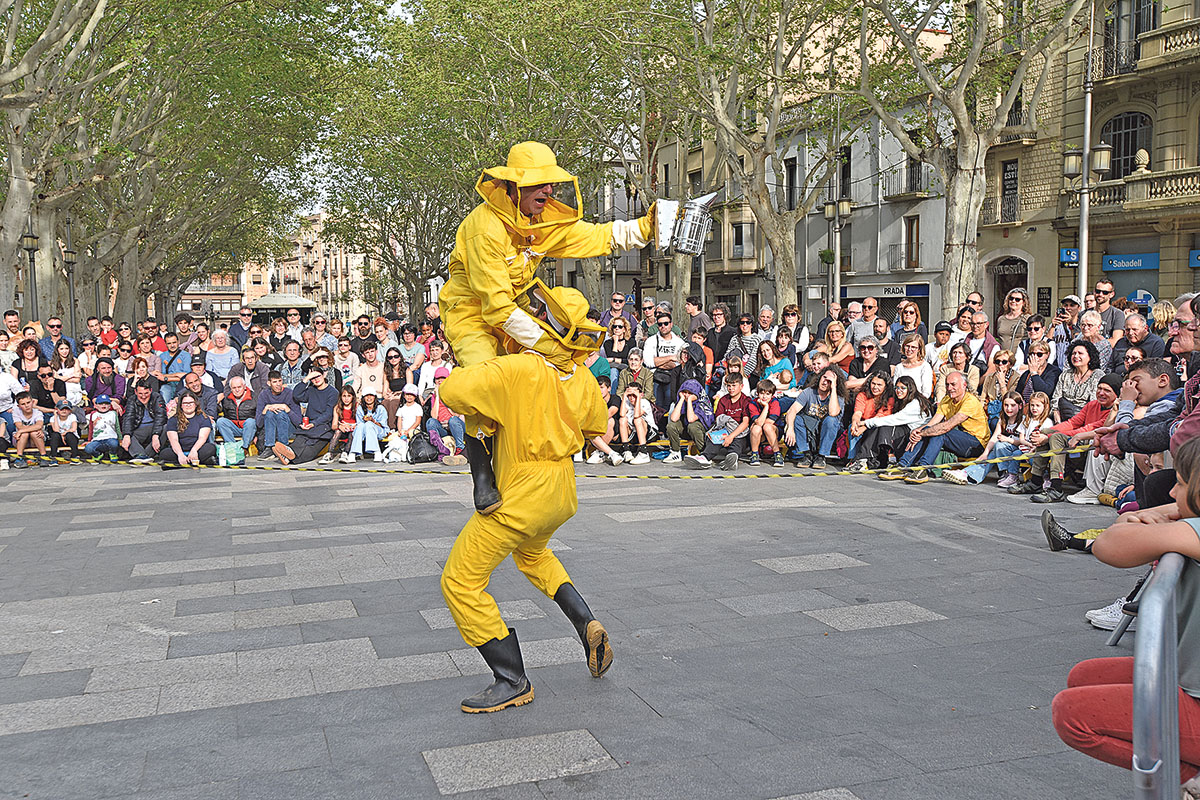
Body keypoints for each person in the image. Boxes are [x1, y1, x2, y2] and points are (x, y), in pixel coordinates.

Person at [438, 141, 654, 517]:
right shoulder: (483, 228)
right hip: (470, 315)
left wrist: (647, 228)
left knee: (543, 374)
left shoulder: (542, 221)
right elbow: (496, 307)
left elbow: (594, 237)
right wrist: (547, 344)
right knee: (486, 380)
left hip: (517, 310)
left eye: (551, 182)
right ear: (514, 186)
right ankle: (481, 472)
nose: (549, 190)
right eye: (540, 183)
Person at [435, 284, 612, 713]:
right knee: (533, 555)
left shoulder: (517, 369)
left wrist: (478, 352)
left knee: (460, 581)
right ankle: (586, 623)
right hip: (561, 489)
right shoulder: (581, 374)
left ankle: (511, 679)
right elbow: (596, 425)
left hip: (522, 490)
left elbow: (452, 391)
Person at [1051, 436, 1200, 793]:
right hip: (1186, 676)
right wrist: (1165, 515)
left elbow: (1109, 545)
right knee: (1084, 676)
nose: (1172, 493)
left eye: (1180, 484)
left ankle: (1188, 780)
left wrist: (1154, 518)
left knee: (1071, 714)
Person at [1013, 373, 1120, 502]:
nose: (1101, 393)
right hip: (1078, 444)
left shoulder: (1114, 412)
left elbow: (1089, 429)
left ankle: (1056, 488)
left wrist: (1048, 437)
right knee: (1047, 431)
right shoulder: (1092, 404)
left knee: (1055, 438)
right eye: (1099, 388)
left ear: (1116, 394)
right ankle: (1036, 481)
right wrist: (1043, 433)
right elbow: (1072, 423)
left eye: (1107, 390)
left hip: (1092, 451)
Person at [893, 371, 989, 484]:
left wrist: (923, 433)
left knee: (940, 432)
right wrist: (918, 432)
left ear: (964, 385)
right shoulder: (946, 400)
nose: (949, 388)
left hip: (977, 445)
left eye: (953, 384)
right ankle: (903, 465)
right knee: (929, 430)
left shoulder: (970, 401)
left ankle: (923, 469)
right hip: (958, 439)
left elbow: (946, 427)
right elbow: (932, 423)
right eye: (947, 385)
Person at [943, 391, 1026, 488]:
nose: (1009, 408)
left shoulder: (1023, 420)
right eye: (1006, 405)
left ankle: (968, 473)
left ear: (1020, 406)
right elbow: (994, 437)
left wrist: (1008, 440)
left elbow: (1023, 441)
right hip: (1005, 450)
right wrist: (985, 453)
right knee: (991, 453)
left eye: (1013, 405)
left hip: (1019, 450)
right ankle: (967, 474)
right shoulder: (1003, 419)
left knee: (999, 445)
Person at [856, 376, 935, 473]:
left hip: (916, 437)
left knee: (885, 427)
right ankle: (864, 460)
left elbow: (894, 419)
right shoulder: (903, 401)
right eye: (897, 388)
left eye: (903, 388)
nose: (899, 391)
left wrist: (866, 423)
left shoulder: (915, 404)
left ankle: (870, 460)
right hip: (908, 433)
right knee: (882, 428)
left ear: (910, 389)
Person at [684, 371, 755, 470]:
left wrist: (731, 436)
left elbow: (745, 423)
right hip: (724, 430)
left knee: (737, 442)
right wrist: (725, 434)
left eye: (734, 386)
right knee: (715, 438)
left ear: (741, 386)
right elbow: (719, 420)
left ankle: (732, 459)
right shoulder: (723, 400)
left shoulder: (746, 400)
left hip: (739, 432)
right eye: (729, 386)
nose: (731, 389)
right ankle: (705, 458)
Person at [782, 367, 845, 469]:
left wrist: (834, 388)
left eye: (829, 381)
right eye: (824, 377)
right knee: (797, 418)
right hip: (810, 429)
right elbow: (792, 411)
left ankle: (821, 456)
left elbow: (833, 413)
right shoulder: (809, 392)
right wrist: (790, 429)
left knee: (831, 420)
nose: (825, 382)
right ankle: (806, 454)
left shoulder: (837, 397)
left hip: (826, 431)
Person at [276, 367, 337, 465]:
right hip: (309, 424)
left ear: (323, 375)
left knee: (313, 444)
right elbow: (296, 395)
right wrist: (306, 379)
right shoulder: (311, 390)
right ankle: (289, 453)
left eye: (318, 376)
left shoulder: (333, 392)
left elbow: (328, 414)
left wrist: (314, 424)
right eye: (313, 378)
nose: (316, 379)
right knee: (301, 438)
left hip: (324, 426)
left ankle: (290, 457)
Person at [155, 391, 215, 467]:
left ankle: (179, 464)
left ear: (196, 404)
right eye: (185, 403)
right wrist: (180, 454)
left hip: (197, 450)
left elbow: (202, 438)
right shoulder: (173, 420)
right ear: (181, 405)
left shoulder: (204, 418)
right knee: (164, 453)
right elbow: (174, 440)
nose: (188, 405)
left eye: (191, 403)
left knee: (210, 448)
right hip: (179, 451)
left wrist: (194, 451)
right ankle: (196, 462)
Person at [643, 311, 685, 413]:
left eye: (666, 323)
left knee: (669, 404)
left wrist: (658, 361)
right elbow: (648, 362)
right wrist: (671, 357)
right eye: (660, 324)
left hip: (673, 377)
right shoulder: (651, 341)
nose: (663, 326)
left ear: (671, 324)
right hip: (654, 376)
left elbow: (681, 363)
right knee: (656, 406)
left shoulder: (679, 342)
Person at [664, 378, 713, 464]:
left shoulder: (702, 403)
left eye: (690, 393)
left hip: (699, 432)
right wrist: (681, 399)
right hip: (686, 430)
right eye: (685, 392)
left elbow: (691, 419)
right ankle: (675, 453)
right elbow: (673, 418)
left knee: (693, 426)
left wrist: (689, 400)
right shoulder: (682, 400)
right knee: (671, 426)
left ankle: (704, 454)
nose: (687, 395)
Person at [1051, 340, 1102, 422]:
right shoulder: (1065, 374)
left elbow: (1094, 404)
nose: (1076, 356)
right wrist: (1056, 416)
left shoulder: (1097, 375)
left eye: (1080, 353)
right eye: (1073, 353)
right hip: (1063, 416)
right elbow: (1056, 398)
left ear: (1090, 356)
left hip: (1085, 418)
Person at [848, 372, 894, 463]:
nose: (875, 387)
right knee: (852, 428)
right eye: (873, 383)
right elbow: (858, 413)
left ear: (886, 386)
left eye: (879, 385)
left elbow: (879, 417)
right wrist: (854, 423)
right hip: (863, 423)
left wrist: (864, 427)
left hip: (877, 426)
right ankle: (853, 459)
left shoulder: (890, 399)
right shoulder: (862, 395)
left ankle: (864, 459)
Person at [426, 368, 467, 466]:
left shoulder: (453, 393)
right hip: (442, 427)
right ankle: (440, 448)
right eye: (437, 378)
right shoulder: (434, 396)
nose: (440, 381)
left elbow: (457, 414)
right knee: (430, 422)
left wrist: (445, 397)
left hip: (456, 425)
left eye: (443, 378)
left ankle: (460, 448)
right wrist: (437, 396)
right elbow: (434, 416)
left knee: (453, 420)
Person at [120, 381, 167, 463]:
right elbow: (128, 418)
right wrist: (126, 435)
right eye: (140, 393)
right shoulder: (132, 399)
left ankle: (142, 456)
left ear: (151, 391)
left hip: (154, 427)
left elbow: (160, 417)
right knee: (127, 433)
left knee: (166, 428)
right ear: (135, 392)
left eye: (146, 393)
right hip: (139, 429)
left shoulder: (157, 397)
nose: (143, 396)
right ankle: (143, 456)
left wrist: (155, 435)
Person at [215, 375, 257, 454]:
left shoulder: (254, 397)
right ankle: (233, 448)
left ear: (244, 386)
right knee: (221, 421)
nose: (237, 390)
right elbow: (222, 413)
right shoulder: (227, 398)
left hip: (249, 429)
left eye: (239, 387)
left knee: (250, 422)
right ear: (231, 389)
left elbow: (259, 417)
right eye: (234, 388)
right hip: (234, 428)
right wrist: (217, 402)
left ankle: (244, 448)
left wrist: (258, 435)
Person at [746, 379, 784, 466]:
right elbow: (759, 424)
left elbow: (770, 421)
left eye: (768, 394)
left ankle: (777, 454)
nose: (764, 397)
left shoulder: (774, 402)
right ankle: (754, 454)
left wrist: (766, 406)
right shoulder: (753, 403)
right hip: (759, 434)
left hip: (774, 431)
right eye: (762, 393)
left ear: (772, 395)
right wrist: (766, 408)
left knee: (767, 426)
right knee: (756, 428)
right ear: (757, 393)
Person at [617, 383, 655, 465]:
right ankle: (626, 450)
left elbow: (637, 415)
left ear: (641, 394)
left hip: (649, 433)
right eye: (629, 395)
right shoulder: (627, 402)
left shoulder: (644, 402)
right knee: (622, 419)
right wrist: (624, 396)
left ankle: (644, 452)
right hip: (634, 433)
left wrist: (638, 398)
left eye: (634, 395)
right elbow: (622, 414)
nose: (631, 398)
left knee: (637, 420)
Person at [350, 389, 389, 463]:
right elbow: (359, 424)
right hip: (364, 431)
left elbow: (383, 425)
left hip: (380, 431)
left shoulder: (380, 408)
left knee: (369, 424)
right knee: (360, 426)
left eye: (371, 395)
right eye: (366, 396)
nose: (369, 398)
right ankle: (353, 452)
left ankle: (376, 451)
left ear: (374, 397)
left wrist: (373, 421)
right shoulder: (360, 408)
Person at [322, 386, 357, 465]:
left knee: (352, 433)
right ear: (341, 397)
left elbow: (360, 423)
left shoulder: (356, 406)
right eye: (344, 396)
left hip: (353, 430)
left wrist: (351, 426)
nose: (346, 399)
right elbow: (333, 425)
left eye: (349, 396)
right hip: (343, 431)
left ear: (352, 397)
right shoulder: (337, 407)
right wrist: (340, 426)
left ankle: (345, 453)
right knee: (337, 431)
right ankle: (330, 453)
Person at [390, 383, 424, 462]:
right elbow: (399, 420)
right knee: (393, 437)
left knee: (411, 435)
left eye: (411, 395)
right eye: (407, 394)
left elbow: (417, 421)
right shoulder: (402, 408)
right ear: (404, 395)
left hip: (414, 430)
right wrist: (400, 431)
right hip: (403, 430)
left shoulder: (417, 407)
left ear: (415, 396)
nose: (409, 397)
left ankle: (410, 453)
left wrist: (408, 431)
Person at [83, 393, 121, 464]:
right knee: (88, 448)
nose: (104, 405)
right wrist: (89, 440)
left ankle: (113, 453)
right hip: (97, 439)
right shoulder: (93, 414)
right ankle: (97, 454)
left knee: (114, 443)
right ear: (96, 405)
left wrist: (120, 438)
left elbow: (117, 426)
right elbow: (91, 428)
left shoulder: (113, 413)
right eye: (101, 404)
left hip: (110, 438)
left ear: (110, 405)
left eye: (106, 403)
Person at [1093, 278, 1126, 346]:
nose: (1100, 294)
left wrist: (1090, 342)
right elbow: (1077, 339)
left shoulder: (1118, 314)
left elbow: (1116, 341)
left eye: (1105, 292)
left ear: (1111, 294)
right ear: (1094, 292)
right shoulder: (1084, 314)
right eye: (1098, 291)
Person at [51, 340, 83, 405]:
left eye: (66, 348)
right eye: (61, 349)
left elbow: (77, 379)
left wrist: (61, 378)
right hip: (61, 391)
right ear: (57, 350)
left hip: (74, 390)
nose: (64, 351)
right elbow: (55, 379)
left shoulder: (75, 361)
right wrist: (72, 375)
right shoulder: (52, 363)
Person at [602, 318, 633, 383]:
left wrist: (614, 359)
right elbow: (612, 357)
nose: (617, 328)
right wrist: (615, 341)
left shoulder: (631, 342)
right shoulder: (608, 343)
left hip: (628, 368)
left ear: (624, 329)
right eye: (614, 326)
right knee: (614, 370)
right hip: (613, 368)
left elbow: (630, 360)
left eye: (620, 327)